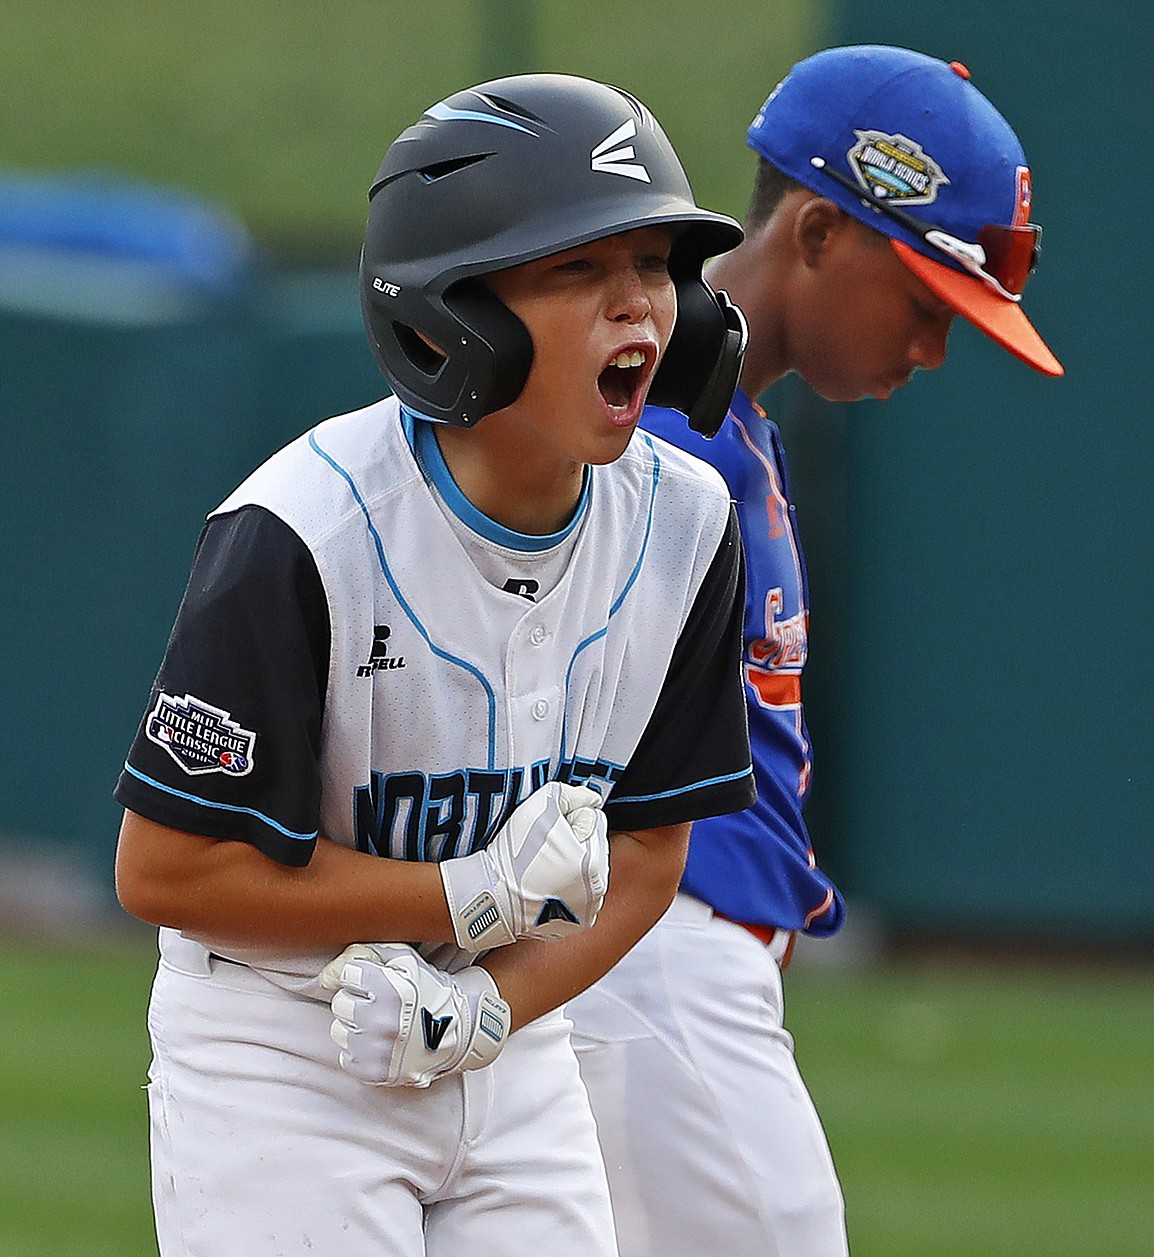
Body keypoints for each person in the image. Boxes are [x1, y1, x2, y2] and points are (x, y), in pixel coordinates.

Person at [112, 72, 757, 1257]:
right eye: (577, 269)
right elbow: (167, 872)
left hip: (509, 1047)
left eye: (656, 264)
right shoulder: (303, 532)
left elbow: (653, 848)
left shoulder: (688, 523)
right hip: (280, 1052)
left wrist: (485, 1005)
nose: (641, 308)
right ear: (450, 315)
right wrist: (456, 896)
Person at [567, 44, 1064, 1257]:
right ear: (822, 233)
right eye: (924, 303)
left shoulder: (724, 412)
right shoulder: (661, 411)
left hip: (662, 963)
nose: (935, 350)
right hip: (654, 956)